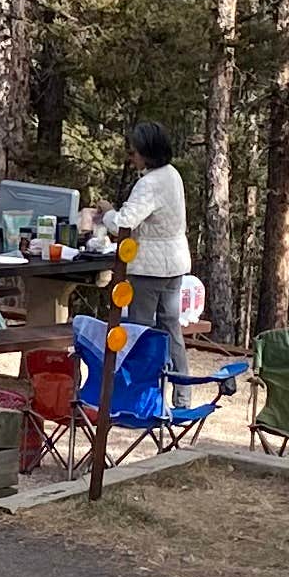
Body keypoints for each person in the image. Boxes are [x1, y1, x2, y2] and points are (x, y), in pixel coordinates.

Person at [82, 122, 193, 392]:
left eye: (133, 153)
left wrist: (107, 211)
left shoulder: (149, 183)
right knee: (171, 330)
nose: (131, 159)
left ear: (147, 153)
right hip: (175, 262)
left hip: (150, 268)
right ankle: (182, 393)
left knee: (141, 330)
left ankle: (143, 392)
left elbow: (124, 223)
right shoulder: (172, 174)